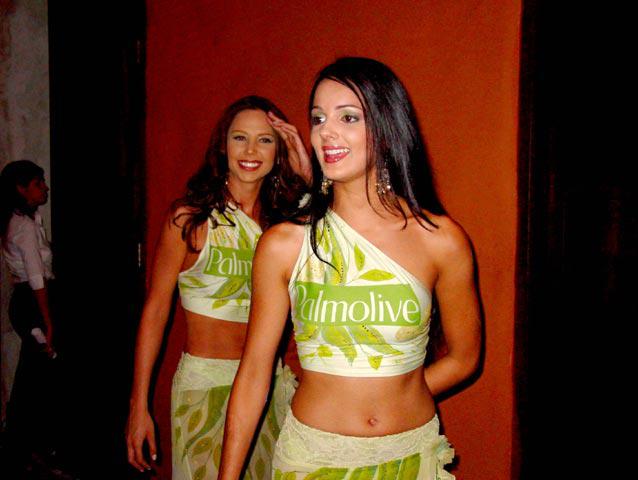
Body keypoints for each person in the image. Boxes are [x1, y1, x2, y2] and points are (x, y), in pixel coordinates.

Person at [219, 58, 482, 480]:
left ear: (386, 127)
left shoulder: (440, 240)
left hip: (411, 454)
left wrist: (396, 395)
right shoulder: (285, 245)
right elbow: (253, 375)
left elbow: (465, 357)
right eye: (318, 118)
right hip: (314, 458)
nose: (326, 132)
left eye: (348, 117)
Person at [126, 95, 311, 479]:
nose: (250, 150)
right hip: (205, 386)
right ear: (222, 145)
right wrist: (138, 405)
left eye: (265, 140)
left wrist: (306, 174)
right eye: (239, 137)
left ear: (279, 152)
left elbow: (335, 236)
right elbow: (156, 310)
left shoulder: (284, 226)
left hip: (267, 389)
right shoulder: (190, 219)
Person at [0, 159, 58, 472]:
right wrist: (48, 321)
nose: (45, 188)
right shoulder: (22, 226)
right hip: (32, 303)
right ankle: (22, 448)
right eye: (38, 183)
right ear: (21, 189)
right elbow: (36, 278)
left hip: (31, 302)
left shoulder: (28, 219)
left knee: (34, 377)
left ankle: (26, 447)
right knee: (34, 380)